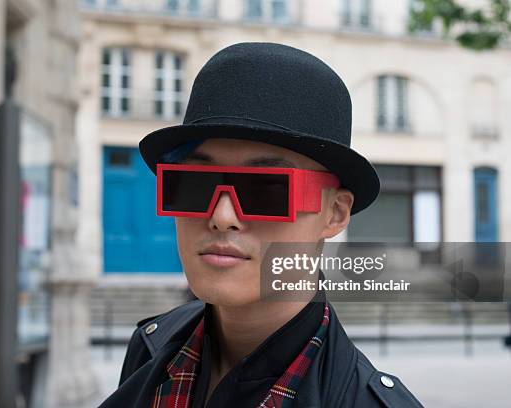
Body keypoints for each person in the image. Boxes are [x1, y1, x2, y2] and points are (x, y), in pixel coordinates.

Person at [98, 42, 424, 407]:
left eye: (267, 190)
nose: (222, 217)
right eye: (193, 184)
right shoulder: (150, 348)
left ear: (335, 213)